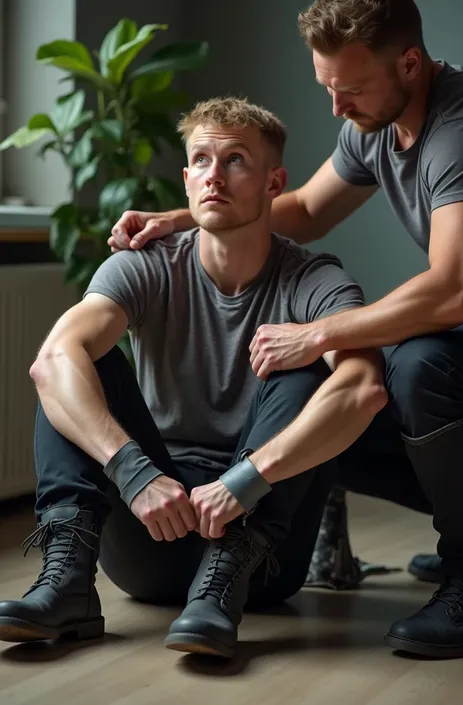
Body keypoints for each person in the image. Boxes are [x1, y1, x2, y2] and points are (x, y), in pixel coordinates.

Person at [107, 0, 463, 660]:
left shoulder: (461, 127)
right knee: (333, 414)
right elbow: (300, 209)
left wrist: (320, 331)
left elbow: (454, 288)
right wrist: (185, 215)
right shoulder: (373, 122)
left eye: (351, 90)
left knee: (416, 364)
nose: (337, 108)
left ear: (411, 65)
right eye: (326, 88)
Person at [0, 97, 387, 660]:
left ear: (274, 181)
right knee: (80, 362)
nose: (214, 175)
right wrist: (134, 473)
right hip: (154, 528)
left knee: (308, 356)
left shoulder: (314, 280)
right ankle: (67, 587)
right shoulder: (146, 263)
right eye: (201, 160)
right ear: (185, 180)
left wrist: (244, 483)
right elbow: (53, 362)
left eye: (235, 160)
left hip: (261, 558)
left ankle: (221, 585)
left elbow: (363, 388)